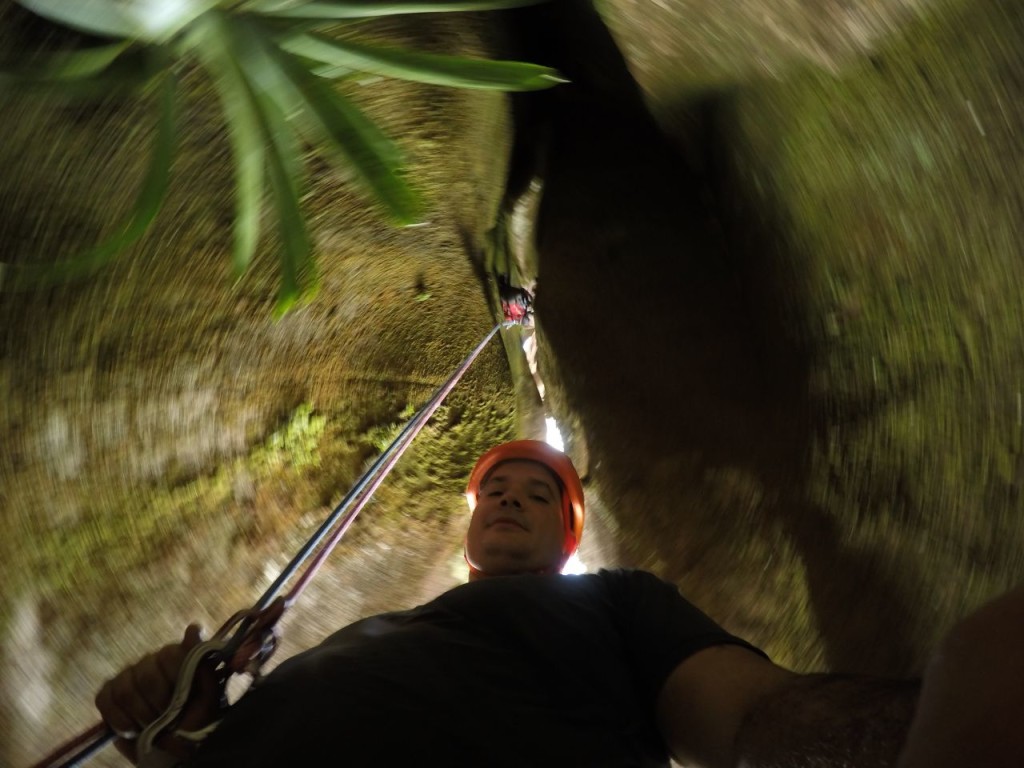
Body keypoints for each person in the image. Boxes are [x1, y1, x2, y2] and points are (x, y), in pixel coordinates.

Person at [96, 440, 1021, 767]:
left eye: (538, 496)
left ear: (568, 542)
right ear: (468, 525)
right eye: (498, 489)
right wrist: (172, 734)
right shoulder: (358, 638)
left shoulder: (615, 606)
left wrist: (905, 740)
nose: (510, 499)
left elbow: (750, 718)